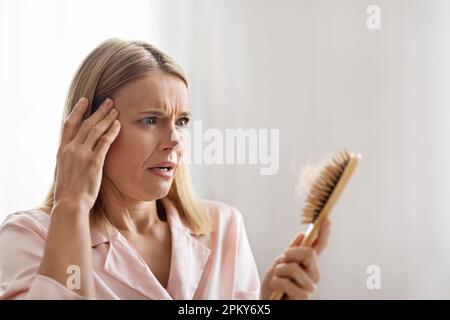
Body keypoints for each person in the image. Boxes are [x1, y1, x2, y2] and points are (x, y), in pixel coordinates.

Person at [0, 38, 331, 300]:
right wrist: (71, 206)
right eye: (150, 120)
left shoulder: (223, 228)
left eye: (182, 121)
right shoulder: (30, 237)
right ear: (91, 132)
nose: (174, 140)